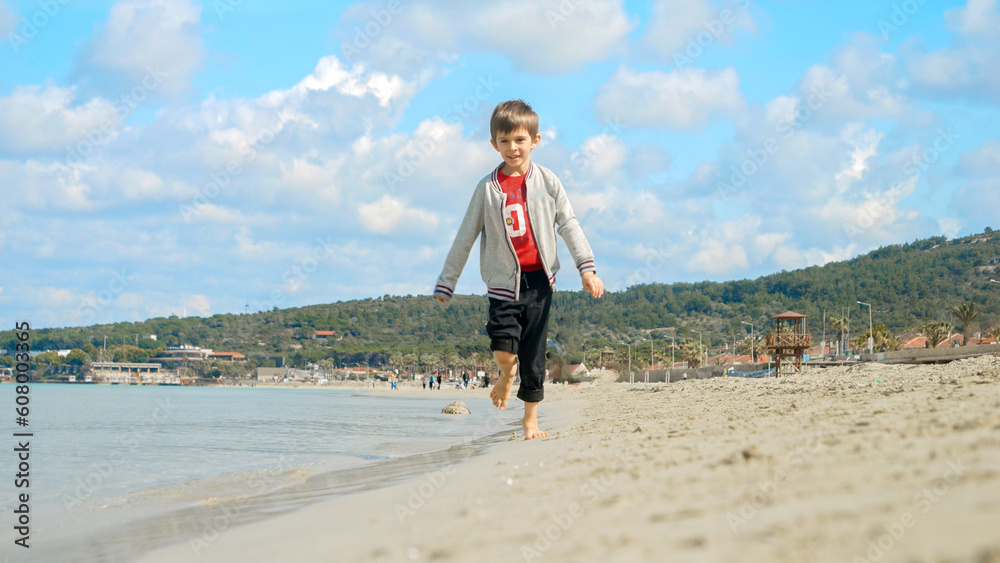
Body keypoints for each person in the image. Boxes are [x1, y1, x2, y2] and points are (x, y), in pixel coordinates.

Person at [433, 100, 604, 440]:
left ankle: (530, 421)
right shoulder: (487, 188)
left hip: (540, 282)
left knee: (534, 353)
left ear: (535, 141)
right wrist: (447, 281)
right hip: (501, 283)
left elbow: (568, 223)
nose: (513, 148)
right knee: (502, 349)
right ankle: (505, 374)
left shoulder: (548, 181)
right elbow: (466, 234)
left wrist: (586, 268)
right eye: (505, 141)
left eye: (520, 140)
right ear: (494, 143)